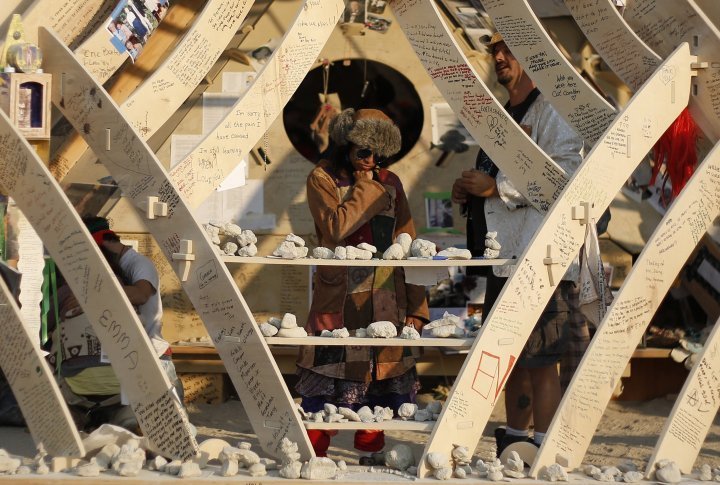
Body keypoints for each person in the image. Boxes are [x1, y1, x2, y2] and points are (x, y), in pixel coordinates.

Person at [451, 32, 584, 455]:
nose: (499, 57)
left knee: (542, 359)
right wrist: (470, 191)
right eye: (494, 50)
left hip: (538, 257)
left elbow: (564, 176)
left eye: (507, 49)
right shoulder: (504, 112)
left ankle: (543, 447)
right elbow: (494, 179)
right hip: (503, 257)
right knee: (510, 357)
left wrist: (498, 188)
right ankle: (516, 443)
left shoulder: (552, 110)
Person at [297, 108, 429, 458]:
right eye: (363, 151)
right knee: (322, 394)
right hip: (337, 301)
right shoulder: (322, 179)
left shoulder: (393, 182)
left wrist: (418, 307)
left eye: (378, 152)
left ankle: (372, 460)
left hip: (386, 299)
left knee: (382, 391)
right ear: (346, 144)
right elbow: (336, 227)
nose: (372, 160)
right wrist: (366, 188)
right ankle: (313, 464)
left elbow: (409, 245)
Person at [48, 216, 185, 432]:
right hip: (130, 354)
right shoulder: (114, 270)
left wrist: (89, 294)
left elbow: (140, 294)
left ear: (102, 243)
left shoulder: (138, 263)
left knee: (167, 422)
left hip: (154, 352)